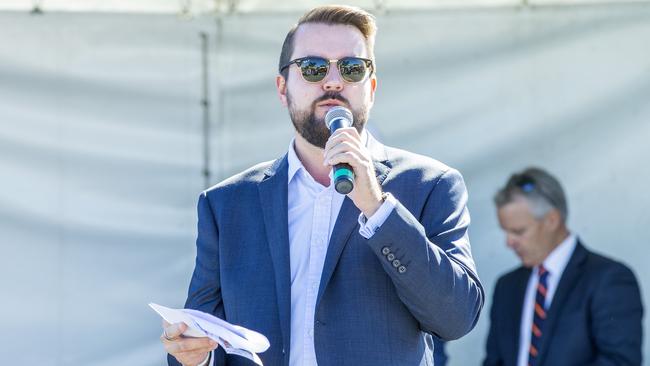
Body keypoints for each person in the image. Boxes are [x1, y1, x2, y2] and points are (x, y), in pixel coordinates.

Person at [161, 5, 484, 366]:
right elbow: (201, 338)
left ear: (371, 88)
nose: (333, 81)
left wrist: (378, 209)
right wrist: (193, 357)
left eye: (351, 68)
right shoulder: (227, 204)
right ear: (283, 89)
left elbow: (456, 317)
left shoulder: (430, 185)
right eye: (313, 68)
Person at [483, 167, 643, 366]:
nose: (509, 242)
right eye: (505, 232)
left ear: (552, 220)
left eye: (518, 231)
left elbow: (620, 362)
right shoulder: (506, 286)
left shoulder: (609, 278)